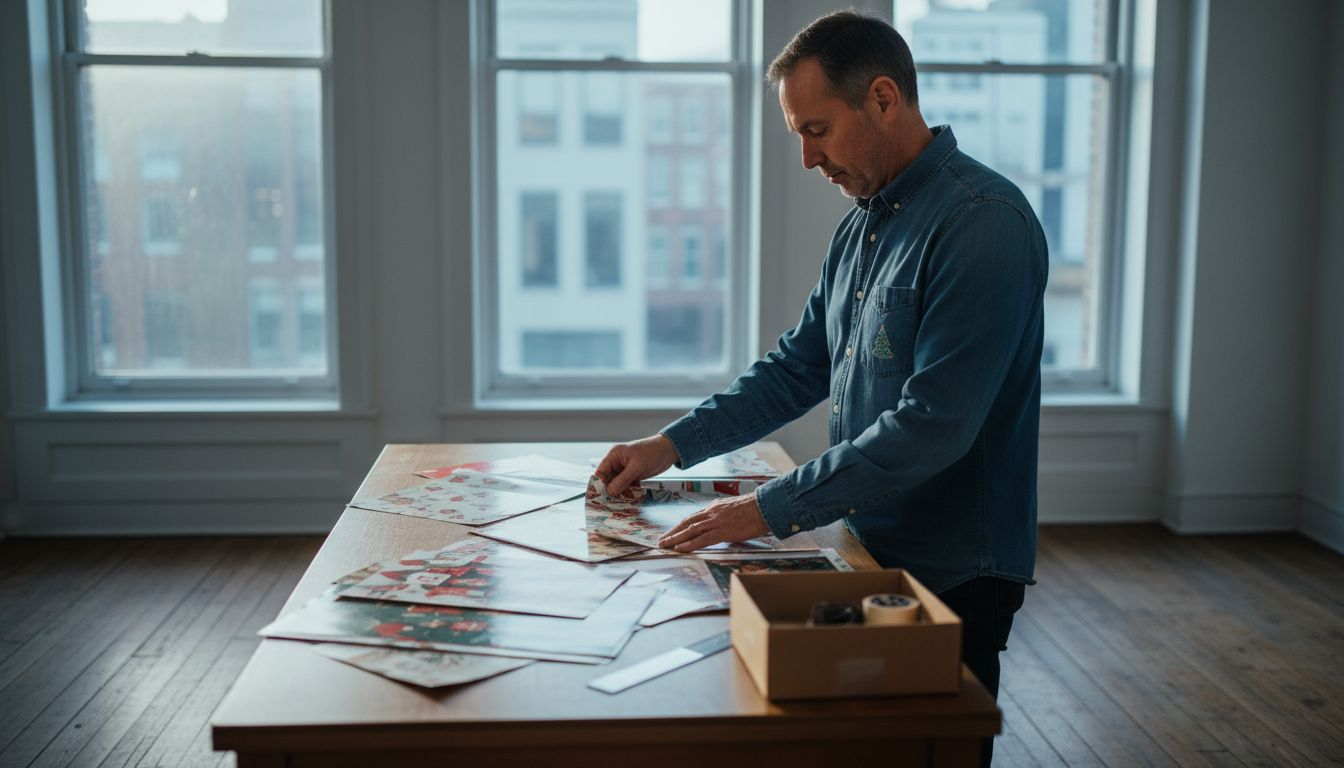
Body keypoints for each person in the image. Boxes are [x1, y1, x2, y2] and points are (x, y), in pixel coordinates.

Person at [596, 11, 1045, 763]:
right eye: (798, 135)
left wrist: (764, 509)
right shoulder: (861, 225)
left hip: (955, 571)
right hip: (868, 545)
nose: (808, 158)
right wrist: (669, 446)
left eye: (817, 130)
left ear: (882, 99)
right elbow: (797, 366)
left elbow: (933, 425)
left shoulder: (983, 223)